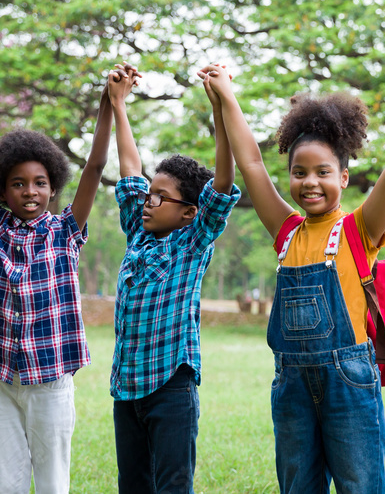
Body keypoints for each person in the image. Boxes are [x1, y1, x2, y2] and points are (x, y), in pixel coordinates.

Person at [200, 64, 385, 493]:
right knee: (297, 485)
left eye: (323, 172)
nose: (310, 182)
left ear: (344, 178)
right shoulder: (286, 231)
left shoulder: (358, 229)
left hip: (349, 379)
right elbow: (251, 163)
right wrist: (226, 97)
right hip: (290, 382)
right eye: (299, 172)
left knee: (360, 484)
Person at [0, 47, 114, 494]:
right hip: (4, 381)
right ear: (0, 188)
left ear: (53, 186)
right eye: (19, 183)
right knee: (6, 484)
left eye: (41, 183)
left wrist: (107, 102)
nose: (30, 191)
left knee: (51, 482)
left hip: (51, 383)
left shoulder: (65, 230)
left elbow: (97, 166)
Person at [108, 63, 241, 494]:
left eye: (161, 197)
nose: (149, 202)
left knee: (172, 485)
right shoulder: (136, 232)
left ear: (188, 211)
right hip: (126, 388)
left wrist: (220, 109)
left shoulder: (192, 242)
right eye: (150, 193)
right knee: (134, 484)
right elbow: (130, 167)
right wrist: (118, 105)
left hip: (171, 388)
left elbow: (222, 183)